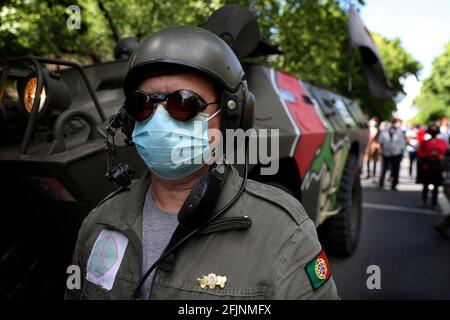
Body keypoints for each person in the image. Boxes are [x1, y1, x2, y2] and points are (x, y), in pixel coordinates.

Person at [65, 26, 339, 300]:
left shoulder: (283, 234)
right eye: (142, 105)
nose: (158, 120)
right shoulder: (100, 221)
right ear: (128, 119)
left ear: (232, 117)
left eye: (183, 103)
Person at [417, 124, 448, 207]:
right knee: (426, 184)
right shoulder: (425, 142)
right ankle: (425, 199)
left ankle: (434, 201)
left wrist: (440, 157)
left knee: (436, 184)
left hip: (438, 166)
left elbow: (445, 152)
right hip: (427, 166)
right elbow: (420, 154)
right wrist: (429, 154)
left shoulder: (442, 142)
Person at [378, 117, 406, 190]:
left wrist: (400, 151)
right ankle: (381, 182)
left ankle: (394, 184)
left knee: (395, 169)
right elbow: (380, 142)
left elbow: (402, 143)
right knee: (384, 168)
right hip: (386, 152)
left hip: (396, 153)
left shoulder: (399, 131)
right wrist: (381, 150)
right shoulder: (384, 131)